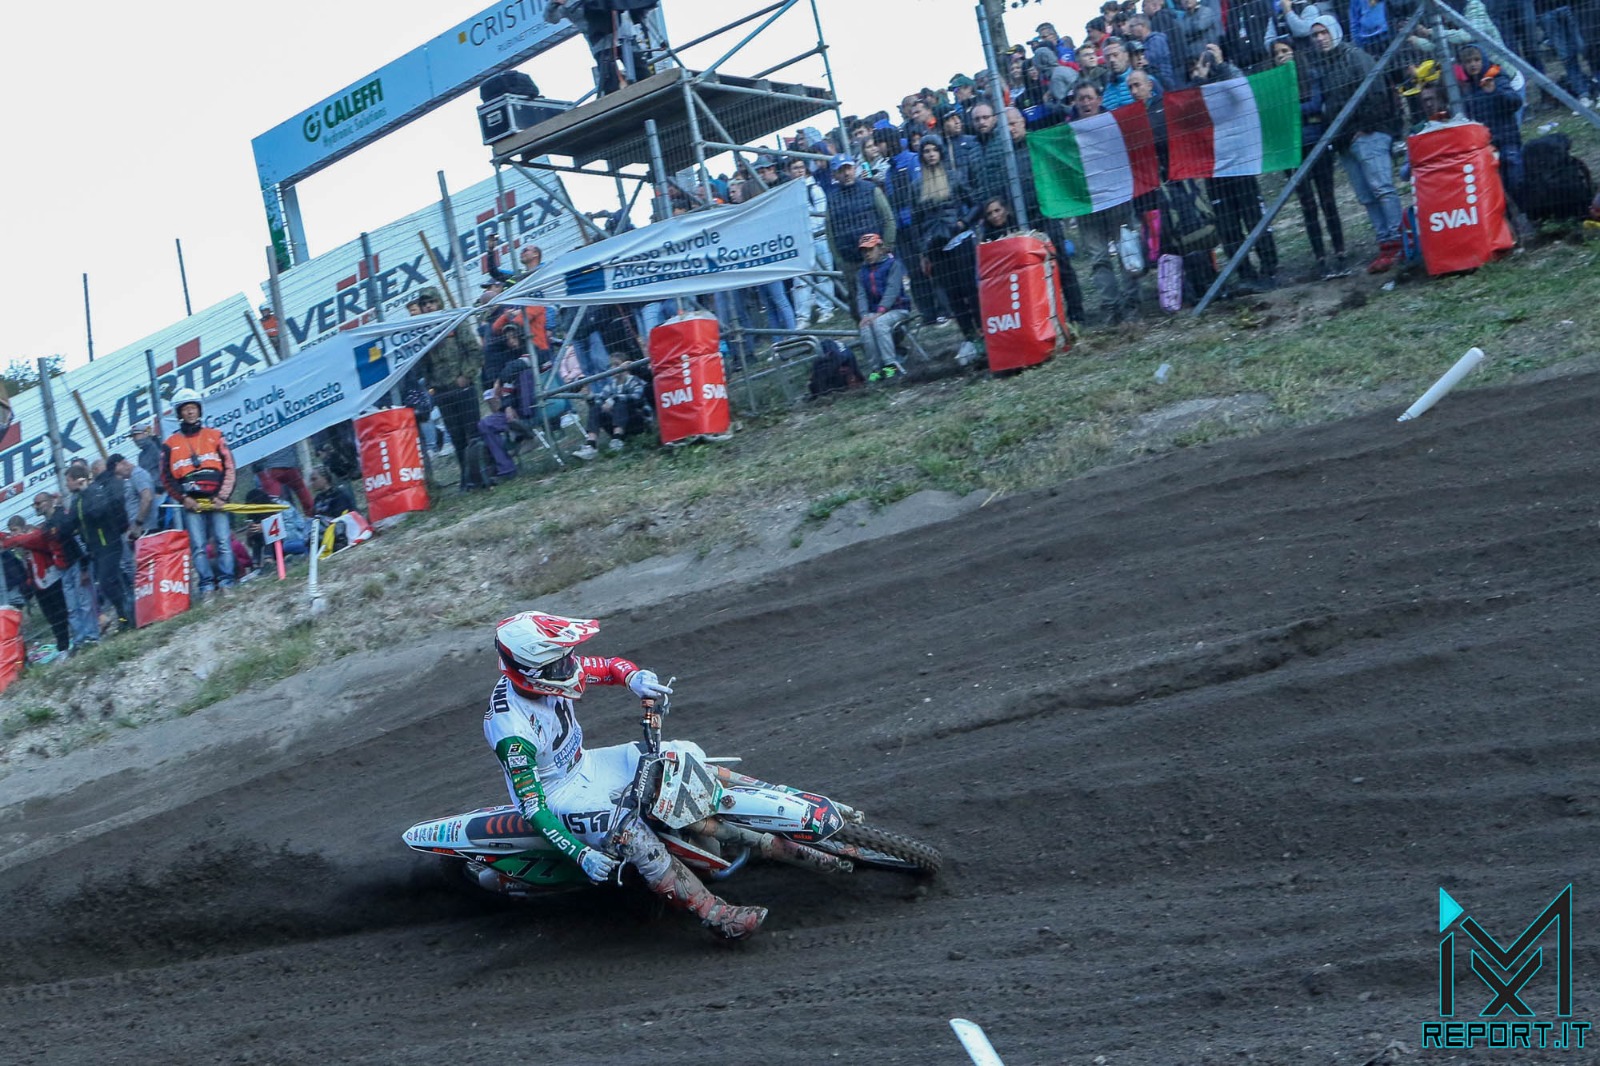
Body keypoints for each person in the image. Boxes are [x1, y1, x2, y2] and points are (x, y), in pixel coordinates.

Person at [485, 611, 766, 940]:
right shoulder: (512, 733)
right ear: (533, 672)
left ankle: (761, 811)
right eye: (560, 663)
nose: (570, 666)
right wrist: (581, 854)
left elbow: (606, 667)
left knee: (682, 754)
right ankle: (715, 914)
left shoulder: (550, 669)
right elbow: (533, 808)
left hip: (586, 764)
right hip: (559, 794)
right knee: (632, 835)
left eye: (567, 658)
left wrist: (634, 678)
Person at [1310, 15, 1404, 273]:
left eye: (1323, 32)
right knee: (1365, 195)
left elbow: (1377, 92)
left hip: (1368, 133)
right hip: (1344, 141)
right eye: (1315, 35)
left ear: (1335, 31)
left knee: (1382, 188)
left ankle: (1400, 239)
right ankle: (1385, 242)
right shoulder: (1323, 66)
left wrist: (1366, 127)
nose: (1320, 38)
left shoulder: (1355, 57)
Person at [1273, 38, 1348, 277]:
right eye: (1277, 53)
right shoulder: (1273, 85)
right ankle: (1320, 256)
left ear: (1294, 52)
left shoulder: (1311, 75)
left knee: (1327, 199)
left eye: (1285, 50)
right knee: (1307, 204)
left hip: (1316, 143)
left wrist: (1289, 110)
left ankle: (1340, 250)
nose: (1282, 56)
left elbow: (1315, 104)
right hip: (1292, 151)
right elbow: (1273, 113)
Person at [160, 387, 238, 599]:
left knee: (223, 542)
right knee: (198, 546)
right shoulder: (169, 444)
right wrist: (183, 498)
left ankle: (227, 583)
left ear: (199, 409)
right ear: (179, 413)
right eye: (185, 409)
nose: (190, 412)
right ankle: (207, 587)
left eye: (193, 408)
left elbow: (229, 467)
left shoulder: (215, 436)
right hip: (192, 503)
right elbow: (166, 477)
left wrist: (222, 496)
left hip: (217, 499)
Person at [0, 511, 71, 656]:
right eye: (11, 531)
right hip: (39, 584)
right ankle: (63, 646)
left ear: (23, 527)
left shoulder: (34, 536)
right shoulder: (22, 541)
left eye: (15, 530)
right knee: (51, 617)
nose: (13, 534)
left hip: (51, 579)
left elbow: (14, 541)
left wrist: (9, 540)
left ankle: (70, 642)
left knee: (61, 613)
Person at [854, 233, 912, 379]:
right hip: (874, 313)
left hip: (898, 309)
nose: (867, 254)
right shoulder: (861, 272)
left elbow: (892, 290)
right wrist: (864, 315)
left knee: (879, 324)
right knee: (865, 327)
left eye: (870, 249)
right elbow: (861, 295)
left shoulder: (893, 265)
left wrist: (880, 312)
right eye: (864, 251)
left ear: (880, 249)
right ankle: (876, 369)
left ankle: (891, 365)